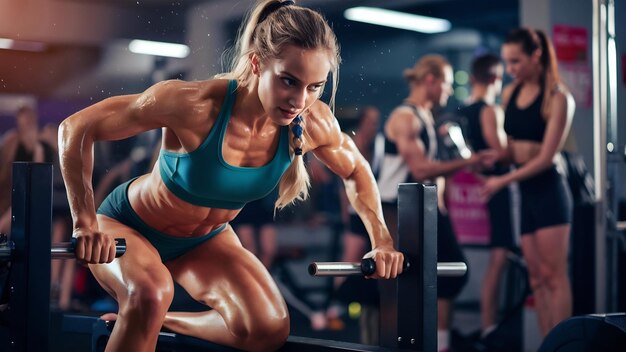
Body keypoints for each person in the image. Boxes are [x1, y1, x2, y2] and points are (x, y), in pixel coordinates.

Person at [57, 1, 404, 351]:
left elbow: (357, 170)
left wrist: (382, 240)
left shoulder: (313, 122)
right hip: (128, 226)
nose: (300, 99)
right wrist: (84, 221)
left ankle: (158, 318)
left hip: (206, 240)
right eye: (288, 81)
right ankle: (146, 310)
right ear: (256, 63)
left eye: (315, 86)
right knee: (149, 292)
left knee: (267, 328)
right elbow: (76, 128)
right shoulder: (194, 105)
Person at [377, 54, 492, 352]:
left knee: (443, 278)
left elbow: (431, 171)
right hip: (397, 210)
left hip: (423, 210)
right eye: (448, 84)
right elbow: (420, 170)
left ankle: (439, 344)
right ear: (431, 80)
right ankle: (397, 346)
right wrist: (469, 161)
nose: (450, 91)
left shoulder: (427, 116)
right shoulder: (405, 117)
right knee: (398, 286)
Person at [480, 28, 574, 337]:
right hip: (524, 190)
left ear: (536, 56)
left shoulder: (559, 98)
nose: (510, 70)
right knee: (536, 278)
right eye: (507, 63)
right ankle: (548, 342)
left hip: (549, 190)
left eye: (516, 62)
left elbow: (546, 157)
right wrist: (494, 158)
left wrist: (502, 180)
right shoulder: (511, 94)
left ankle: (563, 345)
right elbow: (512, 149)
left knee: (554, 276)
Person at [458, 53, 517, 338]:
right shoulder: (490, 111)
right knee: (499, 257)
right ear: (496, 77)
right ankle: (489, 325)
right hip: (501, 187)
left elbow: (467, 155)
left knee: (498, 257)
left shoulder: (462, 112)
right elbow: (501, 152)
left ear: (472, 79)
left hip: (476, 188)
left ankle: (488, 323)